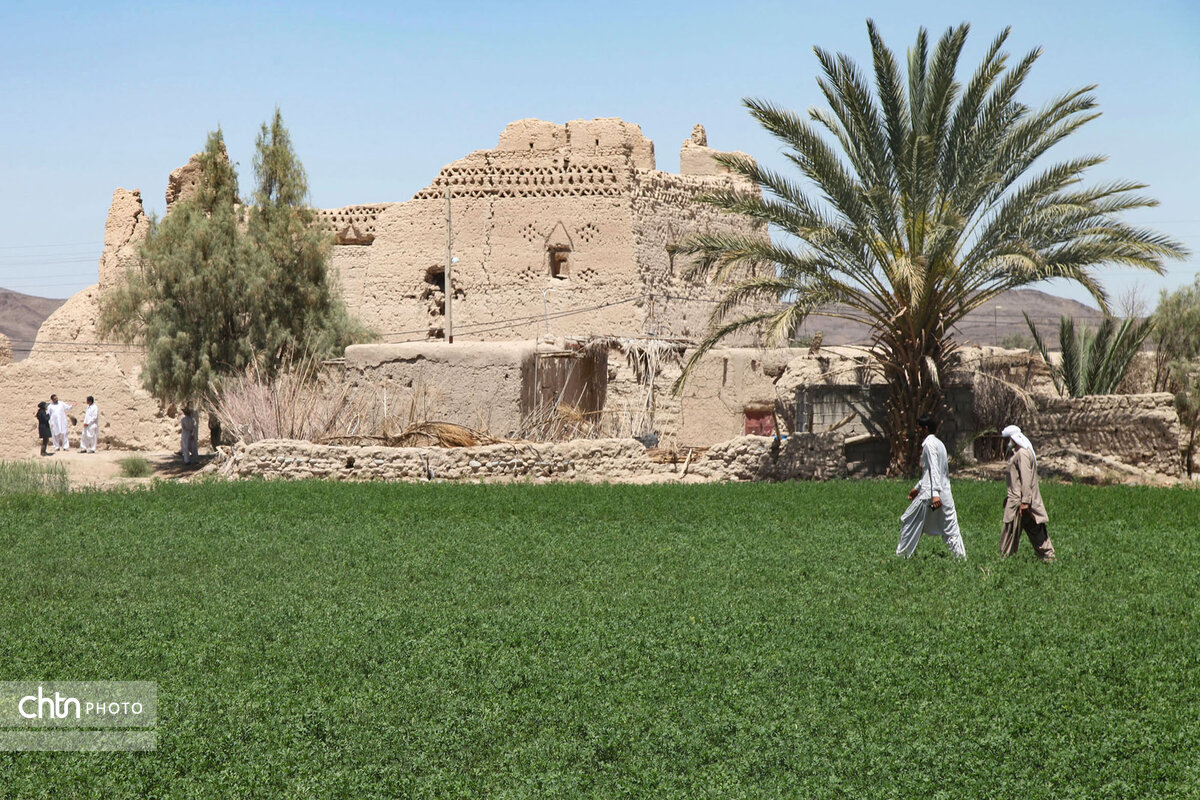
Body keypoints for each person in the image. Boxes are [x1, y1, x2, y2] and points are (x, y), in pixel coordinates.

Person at [897, 413, 966, 559]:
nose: (917, 430)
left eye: (919, 427)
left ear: (926, 428)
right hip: (944, 495)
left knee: (909, 521)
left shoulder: (928, 445)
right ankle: (961, 559)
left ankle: (901, 556)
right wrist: (917, 488)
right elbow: (933, 472)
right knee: (951, 528)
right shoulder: (940, 444)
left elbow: (934, 469)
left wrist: (935, 495)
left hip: (930, 497)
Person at [1000, 425, 1056, 562]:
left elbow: (1026, 479)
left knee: (1010, 535)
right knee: (1035, 531)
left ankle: (1004, 564)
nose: (1005, 442)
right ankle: (1048, 558)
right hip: (1019, 500)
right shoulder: (1019, 453)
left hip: (1019, 503)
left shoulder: (1022, 454)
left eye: (1007, 439)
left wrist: (1025, 502)